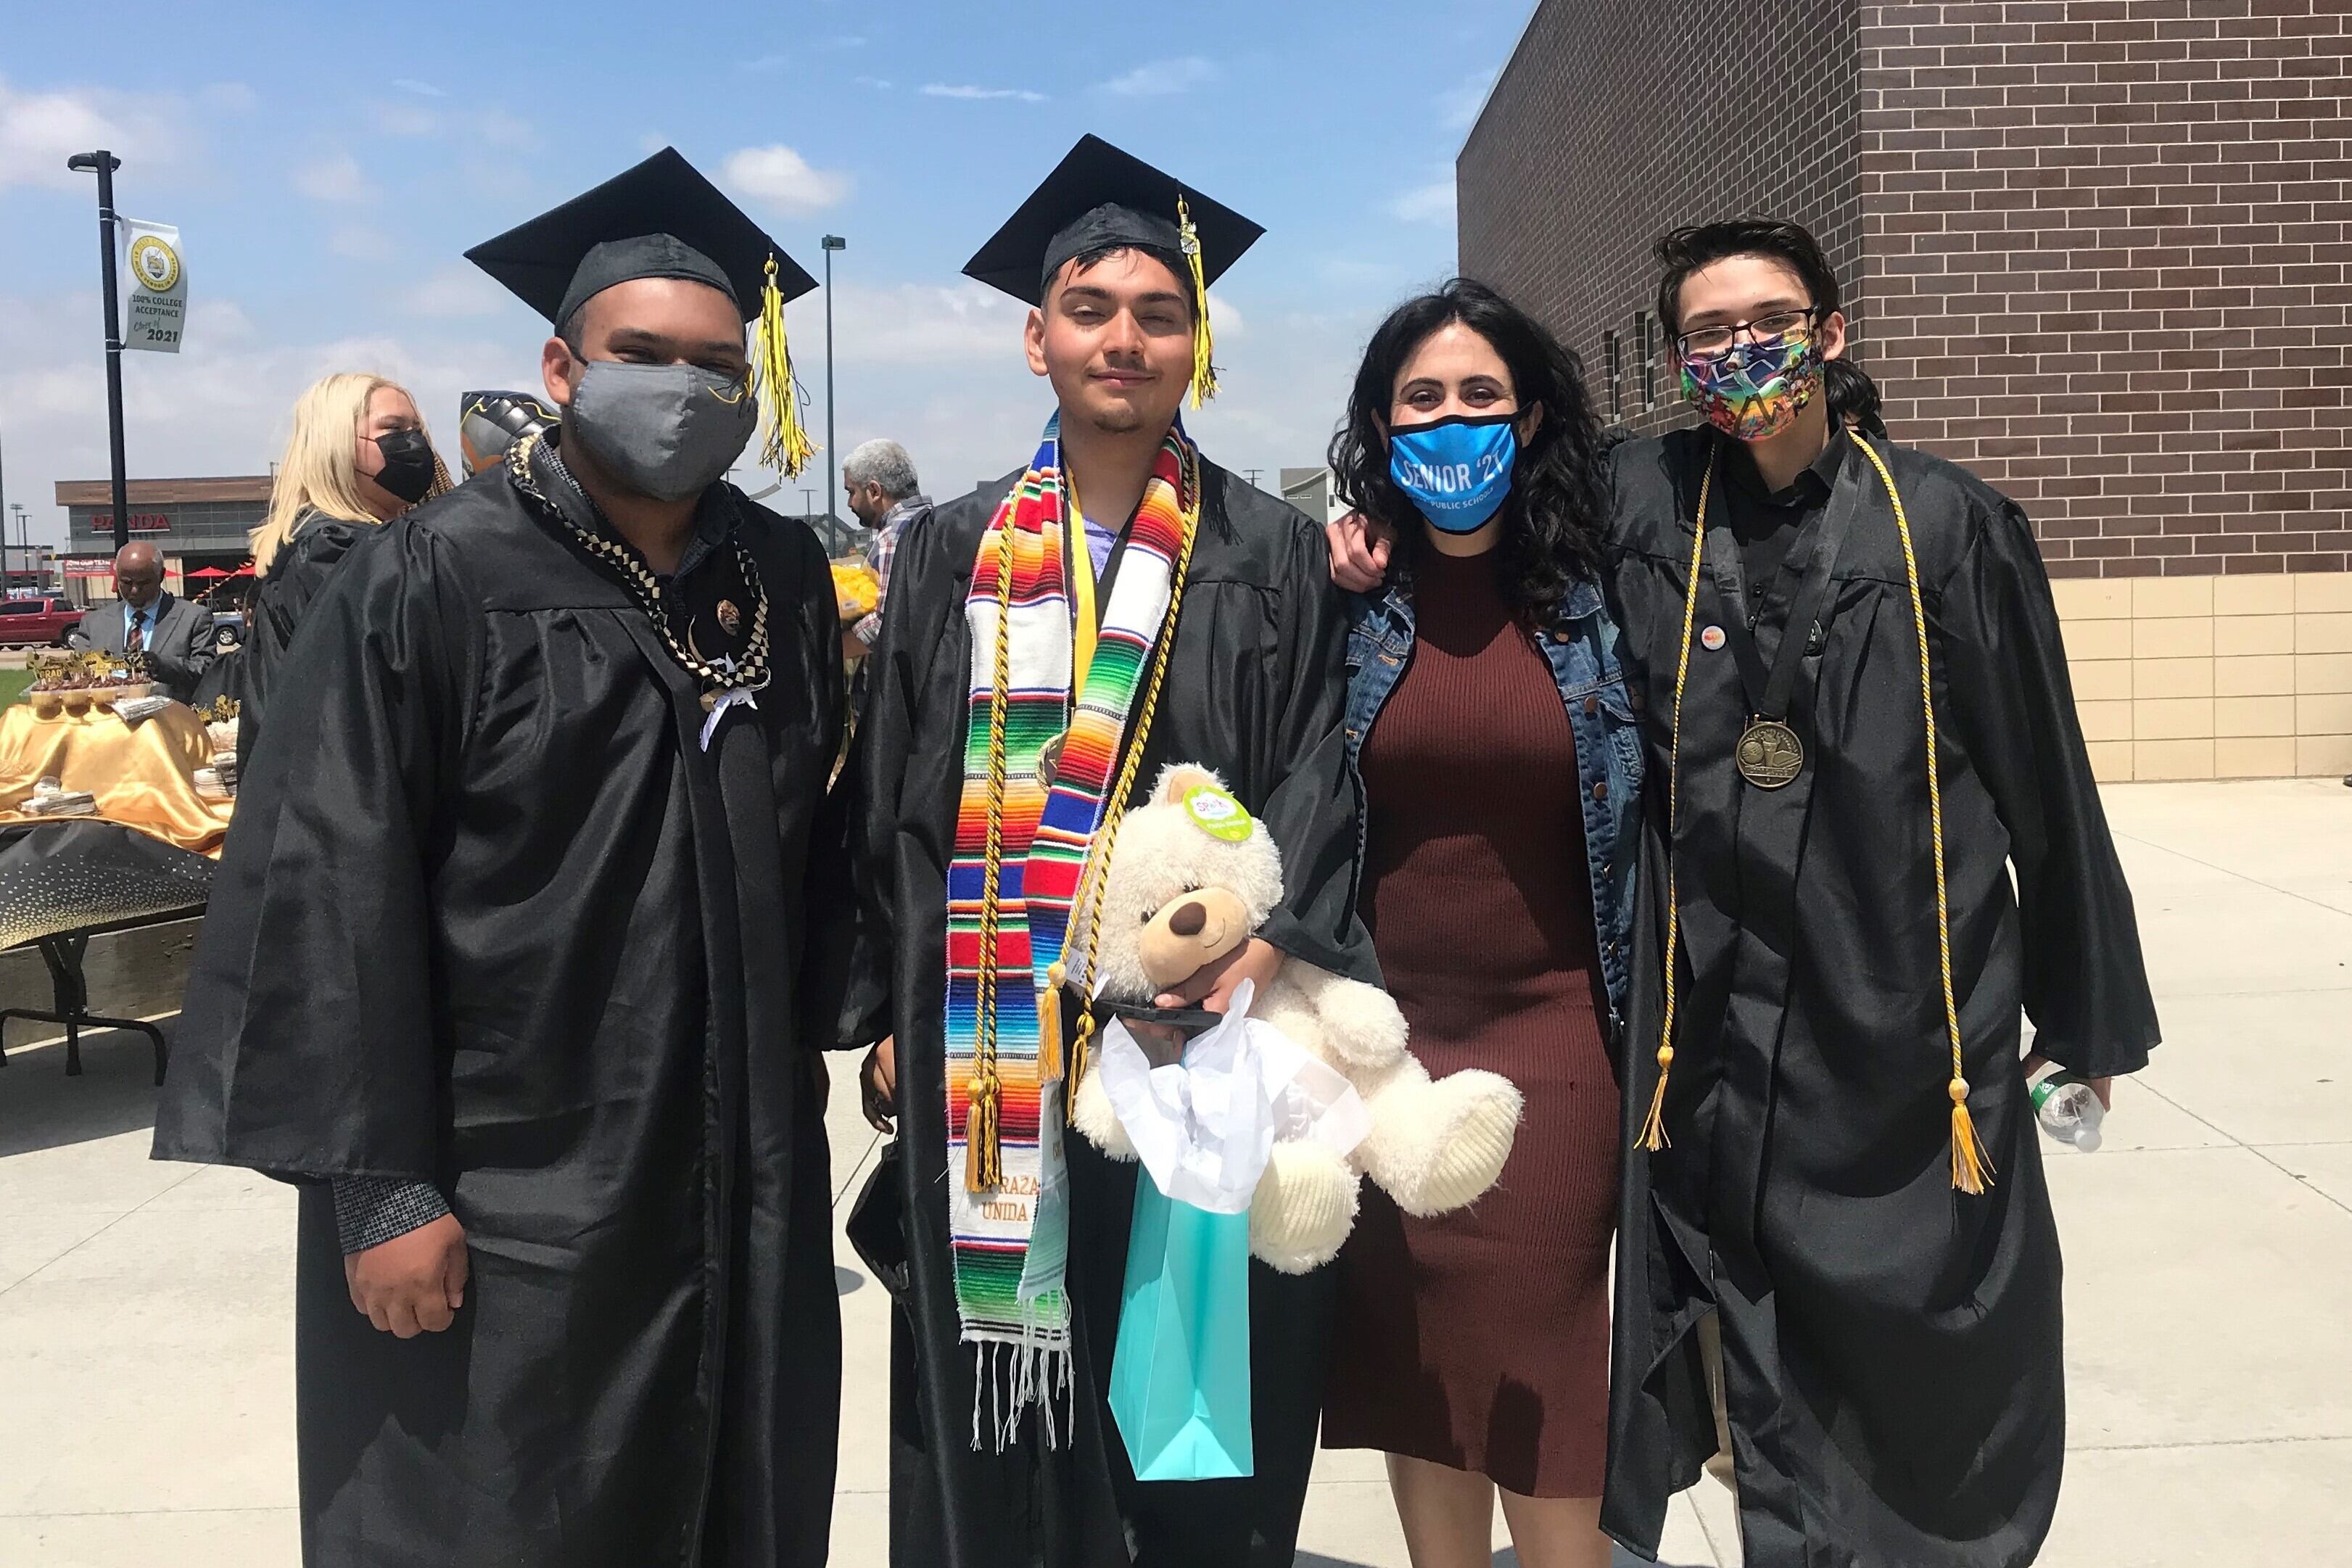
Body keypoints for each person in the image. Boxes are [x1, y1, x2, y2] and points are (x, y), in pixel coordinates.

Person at [1334, 219, 2159, 1568]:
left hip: (1896, 1008)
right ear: (1675, 357)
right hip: (1710, 1015)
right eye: (1708, 333)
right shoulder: (1648, 503)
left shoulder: (1944, 526)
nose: (1740, 352)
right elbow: (1482, 521)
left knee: (1910, 1343)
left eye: (1768, 321)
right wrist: (1361, 540)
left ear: (1829, 332)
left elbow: (2045, 778)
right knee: (1741, 1343)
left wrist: (2080, 1016)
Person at [153, 147, 846, 1568]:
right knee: (509, 1517)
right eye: (640, 354)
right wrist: (378, 1184)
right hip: (518, 1186)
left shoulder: (772, 575)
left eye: (717, 364)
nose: (683, 388)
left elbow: (821, 835)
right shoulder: (431, 577)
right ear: (559, 361)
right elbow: (331, 880)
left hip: (737, 1167)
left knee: (735, 1503)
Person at [835, 134, 1374, 1567]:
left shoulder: (1269, 549)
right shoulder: (952, 551)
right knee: (1010, 1429)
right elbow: (897, 806)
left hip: (1200, 1048)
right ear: (1035, 336)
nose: (1122, 337)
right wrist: (890, 1014)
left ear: (1193, 341)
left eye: (1156, 312)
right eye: (1089, 308)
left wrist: (1269, 947)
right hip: (1001, 1058)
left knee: (1191, 1413)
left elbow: (1321, 771)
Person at [1318, 280, 1634, 1568]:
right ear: (1382, 426)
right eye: (1423, 400)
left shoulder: (1603, 591)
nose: (1452, 424)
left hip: (1557, 1031)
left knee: (1546, 1358)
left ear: (1532, 413)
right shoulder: (1349, 597)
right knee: (1419, 1362)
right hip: (1384, 1039)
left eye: (1479, 397)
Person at [232, 372, 453, 770]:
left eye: (417, 429)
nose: (415, 443)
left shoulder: (336, 541)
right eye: (393, 429)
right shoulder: (336, 552)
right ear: (334, 444)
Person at [67, 540, 218, 701]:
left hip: (168, 720)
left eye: (143, 583)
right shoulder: (93, 624)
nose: (134, 590)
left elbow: (208, 671)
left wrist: (163, 666)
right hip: (108, 721)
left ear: (161, 576)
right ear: (116, 577)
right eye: (126, 582)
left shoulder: (194, 618)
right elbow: (78, 675)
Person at [841, 437, 931, 661]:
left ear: (874, 491)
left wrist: (833, 648)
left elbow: (885, 621)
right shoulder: (931, 522)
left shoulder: (893, 536)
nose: (850, 504)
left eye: (851, 492)